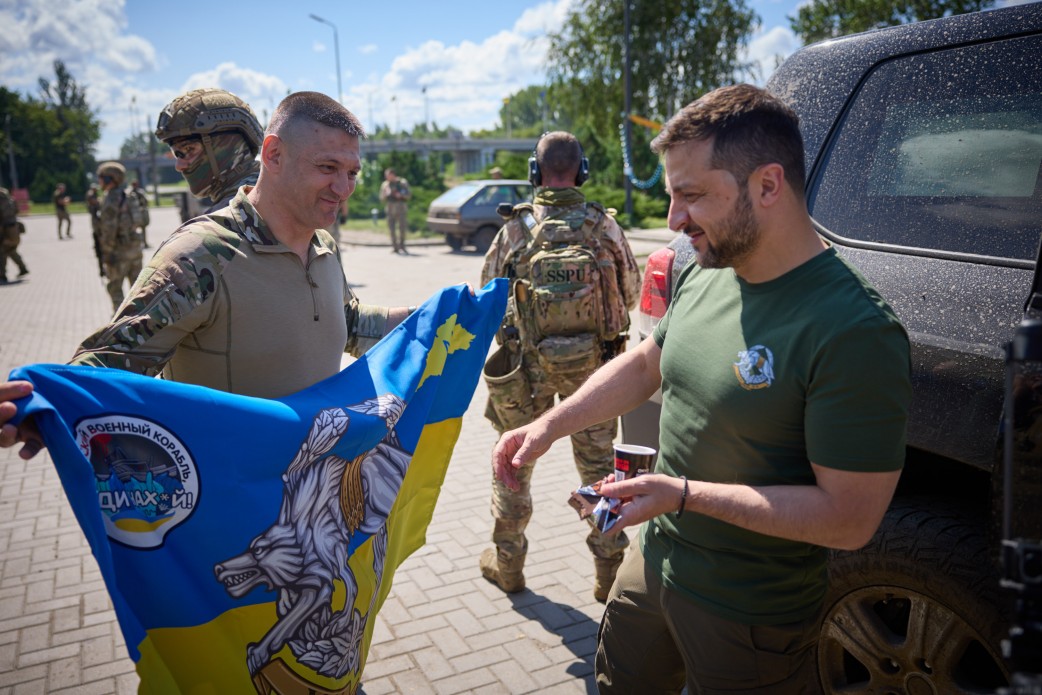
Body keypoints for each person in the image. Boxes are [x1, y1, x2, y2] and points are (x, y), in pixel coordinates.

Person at [492, 85, 912, 693]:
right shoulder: (706, 270)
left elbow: (848, 520)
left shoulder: (854, 329)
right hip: (651, 564)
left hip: (748, 612)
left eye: (691, 196)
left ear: (768, 186)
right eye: (671, 195)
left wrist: (682, 494)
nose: (673, 220)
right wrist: (547, 426)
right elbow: (644, 366)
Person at [0, 91, 415, 460]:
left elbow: (348, 323)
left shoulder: (323, 246)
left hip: (315, 498)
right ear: (272, 155)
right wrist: (37, 406)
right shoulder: (201, 256)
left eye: (353, 173)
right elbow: (111, 365)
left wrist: (446, 314)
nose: (343, 188)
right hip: (235, 508)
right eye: (327, 167)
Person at [479, 131, 641, 602]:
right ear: (582, 170)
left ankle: (508, 565)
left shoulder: (517, 227)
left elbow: (489, 292)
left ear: (535, 172)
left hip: (527, 375)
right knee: (600, 476)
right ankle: (608, 574)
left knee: (513, 465)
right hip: (594, 375)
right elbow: (629, 293)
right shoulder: (602, 226)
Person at [154, 87, 264, 215]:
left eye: (189, 149)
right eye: (177, 154)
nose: (179, 166)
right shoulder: (275, 192)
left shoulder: (226, 218)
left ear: (228, 144)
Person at [96, 161, 144, 313]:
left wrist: (106, 253)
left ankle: (120, 321)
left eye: (102, 177)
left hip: (118, 252)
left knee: (115, 288)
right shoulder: (129, 195)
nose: (99, 181)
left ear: (111, 179)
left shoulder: (110, 199)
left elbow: (109, 231)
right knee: (138, 289)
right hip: (135, 249)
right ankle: (140, 317)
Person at [0, 186, 29, 283]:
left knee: (2, 252)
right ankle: (23, 268)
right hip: (15, 230)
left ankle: (2, 275)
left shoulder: (1, 202)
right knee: (11, 250)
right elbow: (17, 211)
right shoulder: (11, 200)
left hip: (6, 231)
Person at [379, 168, 411, 254]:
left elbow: (408, 195)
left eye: (389, 176)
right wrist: (385, 194)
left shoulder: (402, 183)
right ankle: (395, 247)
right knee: (391, 229)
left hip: (401, 208)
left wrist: (400, 195)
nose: (387, 178)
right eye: (386, 176)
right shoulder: (385, 185)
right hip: (390, 209)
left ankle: (402, 246)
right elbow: (381, 198)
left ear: (393, 175)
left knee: (402, 228)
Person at [86, 184, 105, 277]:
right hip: (97, 225)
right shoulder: (91, 195)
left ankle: (103, 269)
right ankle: (102, 269)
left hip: (100, 225)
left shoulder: (95, 195)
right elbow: (95, 202)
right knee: (100, 249)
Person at [130, 180, 151, 248]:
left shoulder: (138, 192)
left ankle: (144, 243)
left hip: (140, 212)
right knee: (134, 229)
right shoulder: (130, 193)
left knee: (142, 228)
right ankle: (137, 243)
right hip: (135, 213)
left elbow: (145, 201)